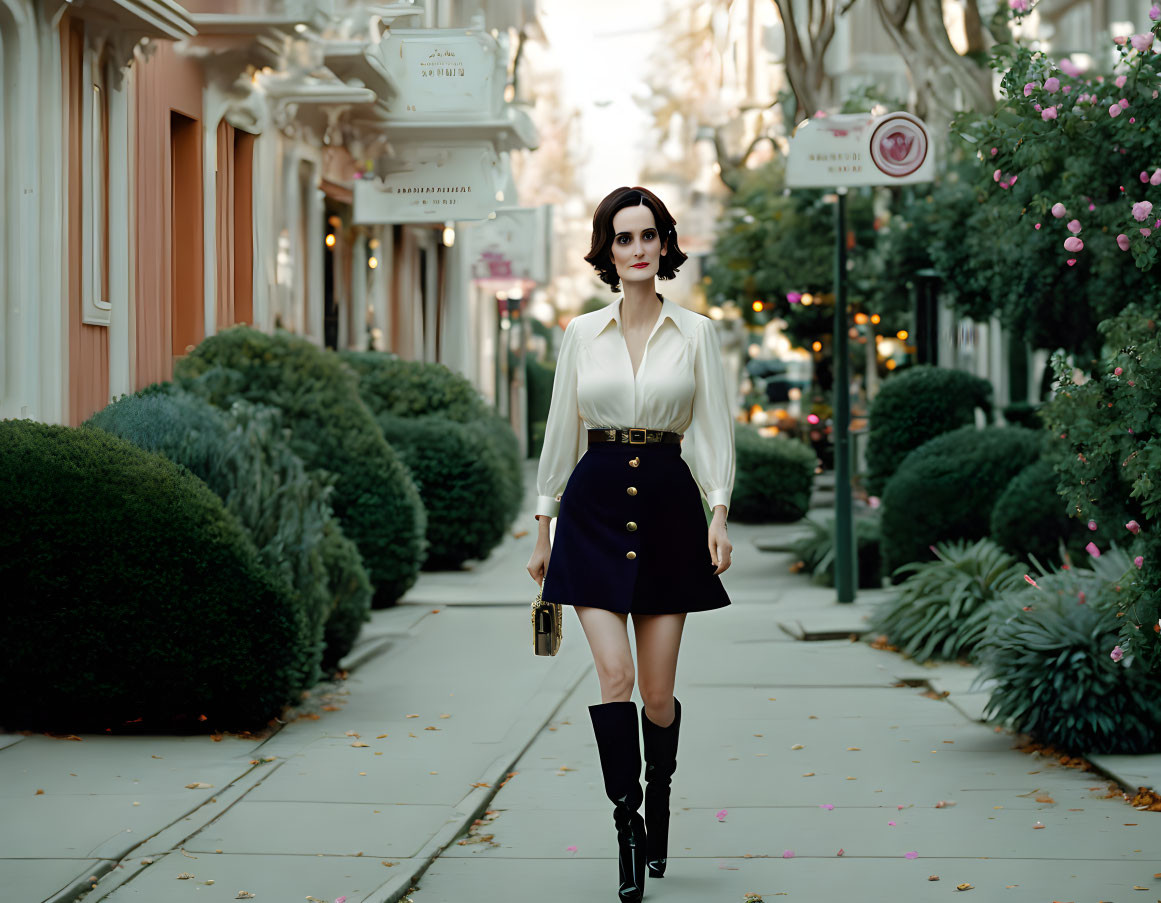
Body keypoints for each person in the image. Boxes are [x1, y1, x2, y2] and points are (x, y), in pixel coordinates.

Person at [526, 186, 735, 902]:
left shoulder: (698, 332)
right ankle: (626, 823)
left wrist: (718, 509)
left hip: (673, 509)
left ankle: (661, 795)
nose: (638, 248)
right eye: (624, 238)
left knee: (656, 693)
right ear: (606, 250)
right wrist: (542, 524)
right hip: (593, 507)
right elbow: (560, 431)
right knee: (611, 677)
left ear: (664, 244)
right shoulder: (580, 333)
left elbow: (711, 430)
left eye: (649, 235)